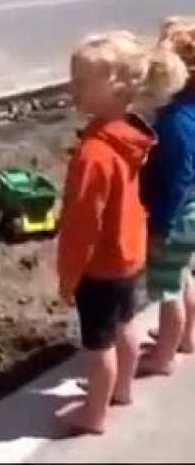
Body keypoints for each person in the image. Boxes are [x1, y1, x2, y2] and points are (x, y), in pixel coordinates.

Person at [56, 31, 187, 435]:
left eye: (82, 82)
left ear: (117, 90)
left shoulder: (95, 153)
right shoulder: (131, 133)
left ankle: (93, 414)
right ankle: (122, 390)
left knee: (98, 345)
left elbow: (82, 224)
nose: (73, 88)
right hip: (129, 252)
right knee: (126, 323)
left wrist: (68, 274)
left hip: (101, 264)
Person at [140, 18, 195, 375]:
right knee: (184, 275)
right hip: (192, 211)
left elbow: (176, 180)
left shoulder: (173, 122)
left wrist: (159, 226)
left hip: (175, 215)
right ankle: (186, 337)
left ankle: (163, 358)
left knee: (166, 289)